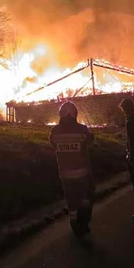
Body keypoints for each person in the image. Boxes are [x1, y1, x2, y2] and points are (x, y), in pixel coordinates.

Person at [50, 101, 95, 236]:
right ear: (75, 114)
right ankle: (84, 222)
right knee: (87, 197)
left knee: (71, 200)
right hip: (82, 173)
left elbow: (53, 143)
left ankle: (74, 224)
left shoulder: (55, 131)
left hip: (65, 174)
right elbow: (88, 142)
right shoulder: (82, 129)